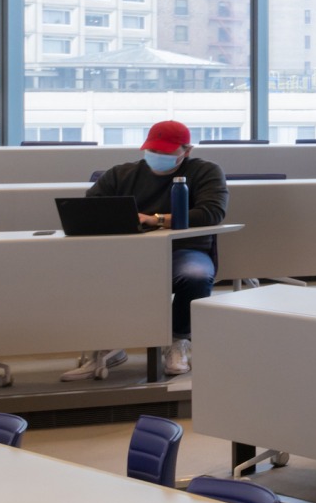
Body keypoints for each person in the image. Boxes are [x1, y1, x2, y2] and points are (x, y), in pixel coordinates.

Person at [68, 119, 226, 380]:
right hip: (128, 254)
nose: (158, 157)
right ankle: (109, 344)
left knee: (196, 275)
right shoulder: (121, 174)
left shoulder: (205, 171)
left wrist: (156, 219)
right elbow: (89, 209)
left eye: (166, 153)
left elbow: (212, 212)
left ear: (187, 151)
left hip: (183, 250)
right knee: (90, 274)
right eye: (154, 151)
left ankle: (178, 340)